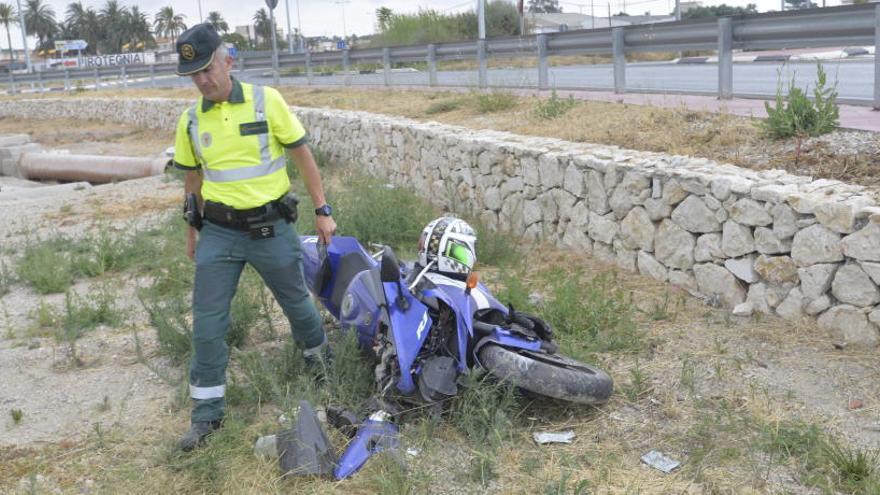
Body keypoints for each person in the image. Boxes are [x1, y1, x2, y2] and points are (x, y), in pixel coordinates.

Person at [171, 23, 336, 452]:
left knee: (299, 307)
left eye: (207, 69)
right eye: (193, 74)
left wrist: (322, 211)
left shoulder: (268, 101)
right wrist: (193, 232)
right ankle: (206, 415)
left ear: (228, 62)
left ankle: (324, 371)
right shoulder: (190, 121)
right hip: (219, 234)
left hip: (271, 228)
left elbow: (303, 156)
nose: (202, 80)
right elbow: (192, 179)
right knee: (207, 325)